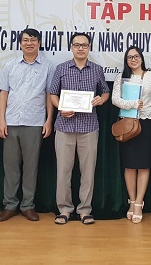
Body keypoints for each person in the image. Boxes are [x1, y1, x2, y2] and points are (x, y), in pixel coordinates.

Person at [49, 32, 110, 225]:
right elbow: (52, 93)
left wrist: (101, 99)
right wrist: (60, 107)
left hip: (89, 127)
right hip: (64, 126)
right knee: (63, 171)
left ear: (89, 47)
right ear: (71, 47)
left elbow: (106, 92)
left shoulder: (97, 69)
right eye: (77, 45)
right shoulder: (61, 68)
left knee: (88, 172)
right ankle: (64, 210)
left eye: (84, 45)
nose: (81, 48)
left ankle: (85, 210)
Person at [0, 28, 55, 222]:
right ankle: (10, 205)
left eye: (33, 40)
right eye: (25, 40)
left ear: (39, 43)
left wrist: (49, 120)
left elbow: (49, 94)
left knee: (31, 167)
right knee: (10, 167)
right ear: (20, 44)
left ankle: (28, 205)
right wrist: (1, 120)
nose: (29, 43)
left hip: (35, 122)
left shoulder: (48, 66)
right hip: (11, 122)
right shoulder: (10, 65)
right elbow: (3, 93)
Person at [112, 46, 151, 223]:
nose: (133, 59)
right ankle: (131, 201)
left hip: (147, 123)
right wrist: (132, 104)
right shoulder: (121, 77)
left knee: (144, 164)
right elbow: (115, 99)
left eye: (136, 56)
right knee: (130, 165)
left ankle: (140, 202)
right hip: (127, 123)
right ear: (126, 60)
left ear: (142, 58)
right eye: (129, 57)